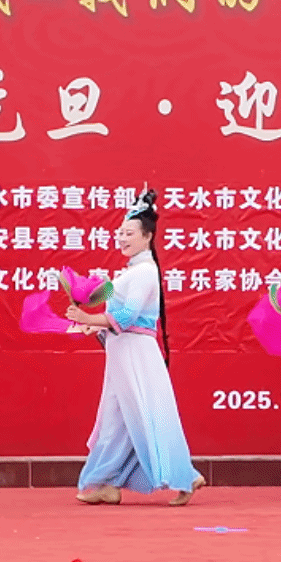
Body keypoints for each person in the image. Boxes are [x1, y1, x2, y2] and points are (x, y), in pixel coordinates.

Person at [67, 190, 204, 505]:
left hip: (136, 354)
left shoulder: (144, 271)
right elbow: (117, 315)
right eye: (120, 232)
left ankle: (185, 475)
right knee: (115, 419)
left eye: (129, 233)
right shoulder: (130, 271)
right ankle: (108, 483)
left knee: (146, 415)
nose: (122, 238)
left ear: (147, 237)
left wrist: (90, 318)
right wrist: (93, 324)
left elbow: (128, 317)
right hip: (122, 352)